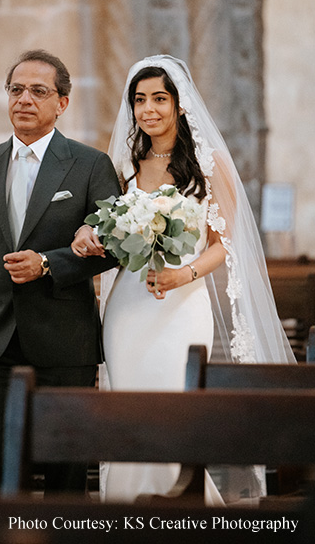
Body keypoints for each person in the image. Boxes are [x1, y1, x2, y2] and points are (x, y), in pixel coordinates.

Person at [72, 54, 295, 503]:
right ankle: (125, 510)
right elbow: (100, 224)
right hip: (127, 307)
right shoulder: (124, 166)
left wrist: (182, 275)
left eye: (159, 98)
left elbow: (222, 245)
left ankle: (183, 510)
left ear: (179, 104)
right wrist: (85, 234)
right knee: (130, 410)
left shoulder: (209, 165)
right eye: (139, 100)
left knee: (174, 406)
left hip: (181, 303)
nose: (148, 109)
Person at [0, 49, 120, 494]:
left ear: (62, 102)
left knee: (65, 462)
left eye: (38, 91)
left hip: (64, 335)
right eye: (16, 90)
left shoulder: (90, 165)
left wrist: (48, 263)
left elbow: (114, 249)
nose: (24, 99)